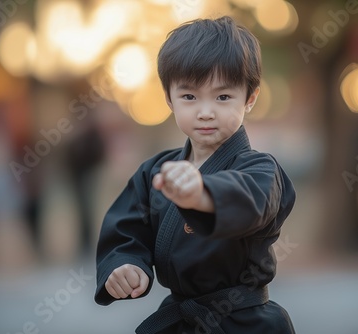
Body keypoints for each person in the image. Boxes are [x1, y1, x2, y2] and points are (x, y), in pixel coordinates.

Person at [94, 16, 297, 334]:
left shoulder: (261, 170)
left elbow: (252, 202)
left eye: (223, 97)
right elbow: (127, 229)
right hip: (179, 323)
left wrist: (202, 194)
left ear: (250, 97)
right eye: (189, 96)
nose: (205, 111)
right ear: (168, 98)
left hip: (246, 322)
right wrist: (124, 264)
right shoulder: (156, 172)